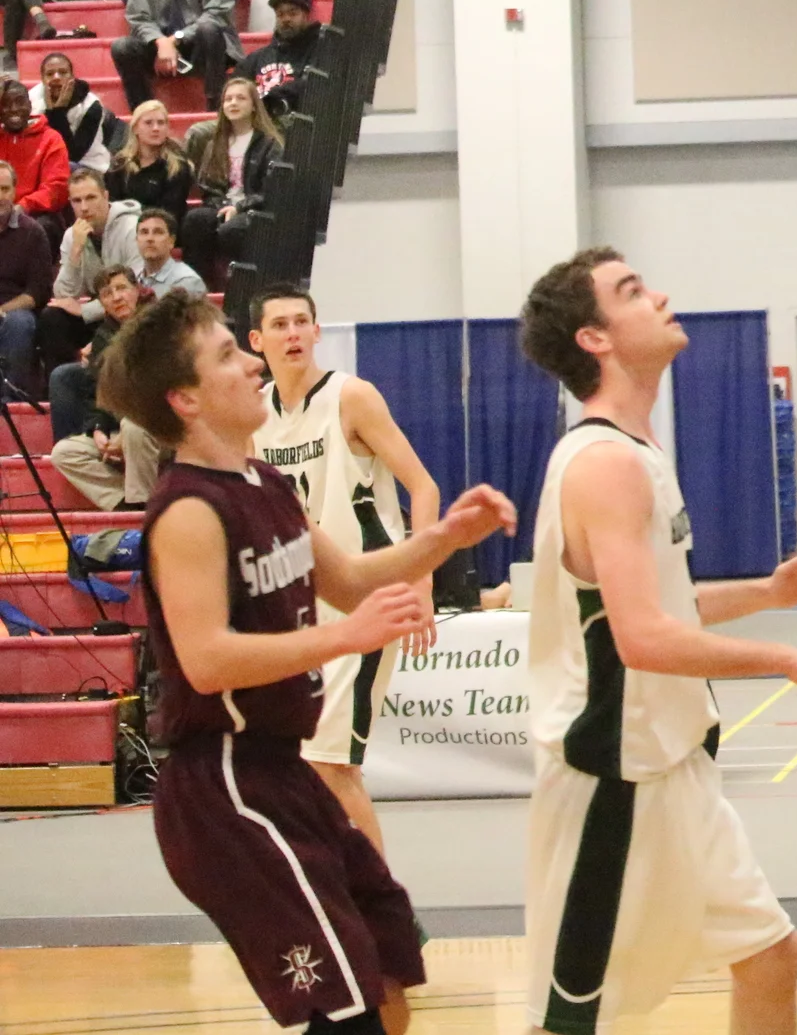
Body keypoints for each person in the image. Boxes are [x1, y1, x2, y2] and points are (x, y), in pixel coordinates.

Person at [111, 287, 517, 1035]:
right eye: (229, 354)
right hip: (224, 788)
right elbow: (205, 661)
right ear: (187, 399)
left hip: (283, 772)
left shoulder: (267, 484)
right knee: (340, 1012)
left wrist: (445, 538)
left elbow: (354, 578)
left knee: (391, 959)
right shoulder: (190, 510)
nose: (247, 365)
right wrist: (343, 637)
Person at [516, 247, 797, 1035]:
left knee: (772, 956)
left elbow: (660, 603)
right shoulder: (604, 463)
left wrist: (769, 594)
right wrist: (786, 657)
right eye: (632, 291)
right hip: (612, 773)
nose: (660, 294)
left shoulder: (636, 452)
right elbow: (640, 637)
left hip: (673, 762)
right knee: (566, 1018)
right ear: (596, 339)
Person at [251, 284, 444, 858]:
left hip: (366, 595)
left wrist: (422, 582)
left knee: (332, 765)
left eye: (300, 323)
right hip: (300, 603)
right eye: (279, 325)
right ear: (256, 341)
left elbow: (424, 486)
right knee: (302, 767)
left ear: (316, 332)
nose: (291, 334)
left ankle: (386, 914)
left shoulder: (351, 397)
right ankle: (346, 892)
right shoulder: (254, 412)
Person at [181, 75, 281, 286]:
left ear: (254, 105)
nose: (233, 103)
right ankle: (199, 286)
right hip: (223, 206)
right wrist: (223, 207)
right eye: (228, 99)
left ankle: (242, 286)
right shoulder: (215, 143)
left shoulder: (269, 143)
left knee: (232, 230)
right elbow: (208, 187)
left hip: (256, 209)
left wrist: (239, 207)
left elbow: (272, 188)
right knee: (195, 220)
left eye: (240, 98)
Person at [40, 170, 141, 374]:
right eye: (77, 201)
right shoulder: (72, 235)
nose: (84, 207)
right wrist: (75, 252)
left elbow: (137, 290)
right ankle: (62, 385)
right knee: (52, 316)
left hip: (127, 313)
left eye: (91, 198)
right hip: (100, 313)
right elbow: (63, 295)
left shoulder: (132, 228)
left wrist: (86, 310)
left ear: (105, 196)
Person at [48, 259, 141, 446]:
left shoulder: (159, 324)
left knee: (134, 432)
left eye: (122, 288)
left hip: (150, 421)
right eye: (107, 294)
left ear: (137, 290)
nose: (116, 297)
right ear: (102, 304)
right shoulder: (103, 336)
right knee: (64, 453)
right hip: (116, 416)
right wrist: (98, 428)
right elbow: (97, 392)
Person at [0, 160, 55, 397]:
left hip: (15, 311)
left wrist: (2, 310)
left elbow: (37, 292)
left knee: (20, 323)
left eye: (4, 189)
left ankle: (9, 400)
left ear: (15, 191)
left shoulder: (32, 232)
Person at [0, 77, 72, 247]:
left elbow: (56, 188)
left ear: (30, 105)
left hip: (35, 214)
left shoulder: (51, 139)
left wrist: (22, 206)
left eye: (19, 102)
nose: (14, 109)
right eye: (5, 104)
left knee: (40, 227)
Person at [243, 0, 326, 118]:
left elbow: (317, 86)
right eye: (280, 14)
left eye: (293, 13)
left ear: (306, 14)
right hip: (255, 122)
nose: (286, 19)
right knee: (200, 132)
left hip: (294, 122)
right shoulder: (257, 58)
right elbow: (235, 88)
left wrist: (275, 97)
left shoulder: (322, 50)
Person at [40, 52, 120, 177]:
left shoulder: (92, 106)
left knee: (63, 167)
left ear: (72, 77)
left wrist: (57, 111)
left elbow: (72, 154)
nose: (56, 77)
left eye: (63, 72)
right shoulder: (31, 100)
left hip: (89, 167)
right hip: (47, 165)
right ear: (42, 79)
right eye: (49, 74)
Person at [109, 98, 192, 214]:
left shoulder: (178, 166)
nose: (156, 128)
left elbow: (172, 210)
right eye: (148, 123)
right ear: (135, 128)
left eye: (161, 123)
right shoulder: (120, 163)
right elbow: (112, 204)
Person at [133, 207, 207, 300]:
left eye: (158, 232)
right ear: (136, 240)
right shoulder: (131, 278)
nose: (149, 238)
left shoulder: (188, 282)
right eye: (144, 232)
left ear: (171, 241)